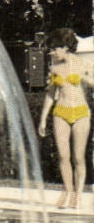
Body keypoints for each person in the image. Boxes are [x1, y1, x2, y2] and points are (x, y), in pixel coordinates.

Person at [38, 28, 89, 210]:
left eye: (55, 49)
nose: (52, 52)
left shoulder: (83, 64)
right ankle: (68, 191)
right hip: (61, 112)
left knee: (78, 157)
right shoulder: (54, 67)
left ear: (65, 47)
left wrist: (88, 78)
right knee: (63, 155)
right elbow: (51, 94)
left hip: (81, 113)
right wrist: (43, 119)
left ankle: (78, 195)